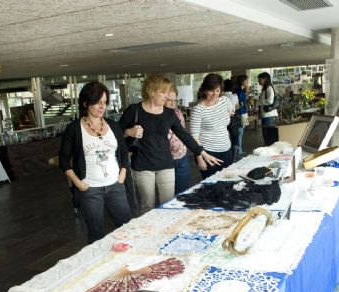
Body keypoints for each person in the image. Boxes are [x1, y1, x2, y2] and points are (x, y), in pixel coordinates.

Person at [119, 74, 221, 214]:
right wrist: (129, 132)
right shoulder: (134, 110)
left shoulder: (169, 113)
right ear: (151, 91)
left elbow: (184, 135)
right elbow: (117, 134)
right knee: (147, 206)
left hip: (166, 164)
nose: (166, 96)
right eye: (163, 92)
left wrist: (202, 152)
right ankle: (148, 234)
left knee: (168, 205)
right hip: (142, 165)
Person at [59, 81, 132, 243]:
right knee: (96, 234)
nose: (102, 106)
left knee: (127, 227)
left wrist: (122, 176)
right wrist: (79, 184)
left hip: (115, 186)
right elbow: (63, 160)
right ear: (86, 103)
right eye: (97, 102)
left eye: (104, 102)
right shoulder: (74, 129)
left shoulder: (113, 125)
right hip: (90, 190)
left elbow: (123, 153)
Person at [189, 73, 233, 179]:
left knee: (228, 181)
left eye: (217, 91)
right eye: (211, 91)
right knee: (212, 185)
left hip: (227, 150)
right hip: (208, 153)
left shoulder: (225, 101)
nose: (215, 94)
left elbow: (231, 112)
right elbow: (194, 138)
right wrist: (200, 159)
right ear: (204, 90)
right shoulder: (198, 110)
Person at [165, 85, 190, 194]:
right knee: (168, 195)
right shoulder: (156, 115)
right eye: (169, 100)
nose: (172, 103)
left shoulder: (178, 113)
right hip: (165, 161)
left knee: (183, 192)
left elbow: (183, 134)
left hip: (181, 158)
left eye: (174, 100)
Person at [257, 72, 279, 146]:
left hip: (269, 115)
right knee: (267, 136)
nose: (258, 81)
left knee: (270, 137)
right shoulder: (265, 88)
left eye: (260, 79)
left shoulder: (269, 88)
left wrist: (260, 102)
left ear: (265, 79)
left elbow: (270, 100)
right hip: (266, 115)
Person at [223, 78, 241, 160]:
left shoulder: (221, 97)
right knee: (235, 137)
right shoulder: (235, 96)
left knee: (225, 137)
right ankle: (235, 156)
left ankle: (226, 155)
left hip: (222, 119)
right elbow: (237, 107)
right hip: (233, 119)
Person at [234, 75, 249, 159]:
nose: (247, 83)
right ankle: (239, 150)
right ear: (243, 82)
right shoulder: (240, 91)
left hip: (242, 112)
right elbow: (240, 103)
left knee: (240, 132)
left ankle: (239, 149)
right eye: (246, 81)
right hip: (241, 113)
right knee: (240, 132)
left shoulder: (239, 90)